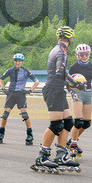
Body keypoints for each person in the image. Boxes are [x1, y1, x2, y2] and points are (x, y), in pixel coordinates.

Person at [30, 25, 81, 174]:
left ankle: (61, 154)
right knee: (56, 124)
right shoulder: (61, 52)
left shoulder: (56, 50)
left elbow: (61, 73)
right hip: (53, 89)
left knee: (68, 122)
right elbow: (60, 72)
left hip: (57, 89)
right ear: (70, 39)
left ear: (58, 38)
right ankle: (42, 155)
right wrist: (75, 83)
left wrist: (71, 86)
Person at [67, 43, 92, 157]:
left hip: (88, 95)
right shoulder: (74, 67)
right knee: (78, 122)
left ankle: (72, 141)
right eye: (81, 54)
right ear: (77, 55)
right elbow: (67, 83)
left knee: (86, 123)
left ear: (89, 54)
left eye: (86, 54)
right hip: (77, 95)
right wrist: (72, 93)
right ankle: (73, 144)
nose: (84, 56)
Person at [0, 52, 40, 145]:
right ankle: (1, 133)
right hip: (11, 94)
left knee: (24, 115)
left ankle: (29, 135)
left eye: (20, 61)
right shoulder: (10, 70)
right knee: (5, 114)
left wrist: (30, 91)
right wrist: (3, 88)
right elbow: (1, 79)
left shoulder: (26, 71)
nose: (18, 63)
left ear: (22, 62)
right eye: (16, 61)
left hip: (21, 94)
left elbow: (37, 81)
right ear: (14, 61)